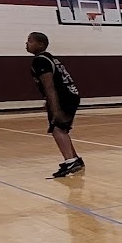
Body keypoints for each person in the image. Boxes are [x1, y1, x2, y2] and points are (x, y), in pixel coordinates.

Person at [26, 31, 84, 178]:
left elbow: (49, 86)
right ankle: (75, 159)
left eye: (30, 41)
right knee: (62, 128)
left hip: (63, 97)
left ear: (40, 44)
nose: (26, 44)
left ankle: (70, 161)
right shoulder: (51, 58)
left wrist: (55, 107)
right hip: (70, 94)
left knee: (57, 128)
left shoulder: (40, 60)